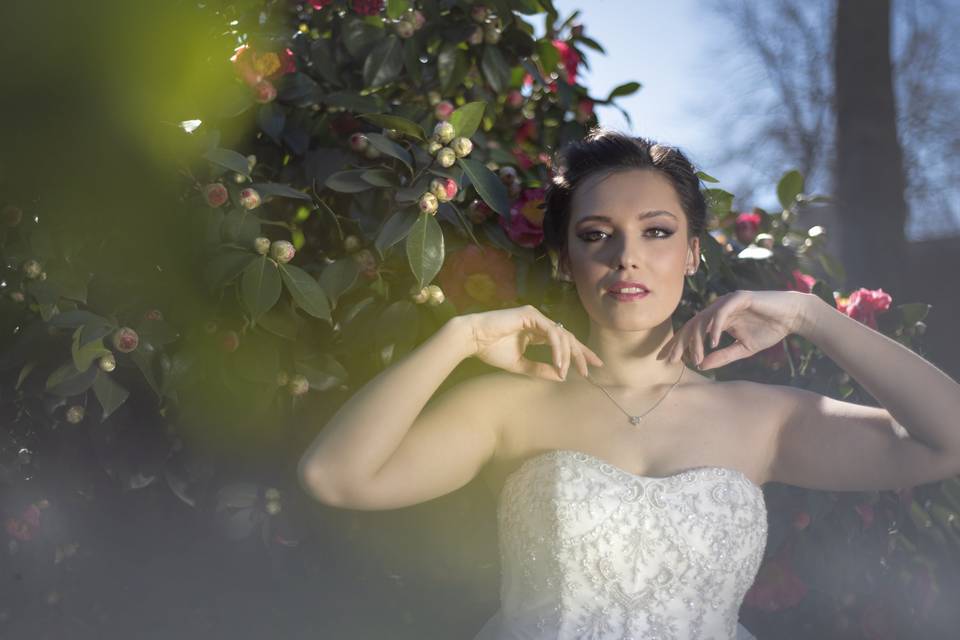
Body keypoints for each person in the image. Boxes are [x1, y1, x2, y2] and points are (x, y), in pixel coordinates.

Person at [297, 128, 960, 639]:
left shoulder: (765, 419)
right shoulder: (507, 408)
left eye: (657, 231)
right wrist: (458, 339)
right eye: (596, 236)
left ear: (693, 251)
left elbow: (947, 441)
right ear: (565, 260)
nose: (627, 257)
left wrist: (812, 317)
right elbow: (334, 476)